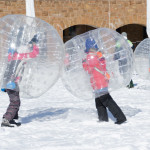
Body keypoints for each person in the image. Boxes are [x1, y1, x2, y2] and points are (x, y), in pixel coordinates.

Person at [82, 38, 126, 124]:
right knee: (99, 101)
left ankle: (121, 117)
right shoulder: (99, 55)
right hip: (102, 81)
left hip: (98, 83)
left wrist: (84, 63)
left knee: (107, 101)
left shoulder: (90, 57)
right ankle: (103, 118)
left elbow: (88, 69)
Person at [1, 35, 39, 127]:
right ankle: (6, 120)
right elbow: (34, 54)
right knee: (15, 102)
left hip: (10, 82)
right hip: (12, 83)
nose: (27, 47)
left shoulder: (12, 55)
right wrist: (34, 44)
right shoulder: (20, 55)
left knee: (16, 101)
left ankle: (12, 118)